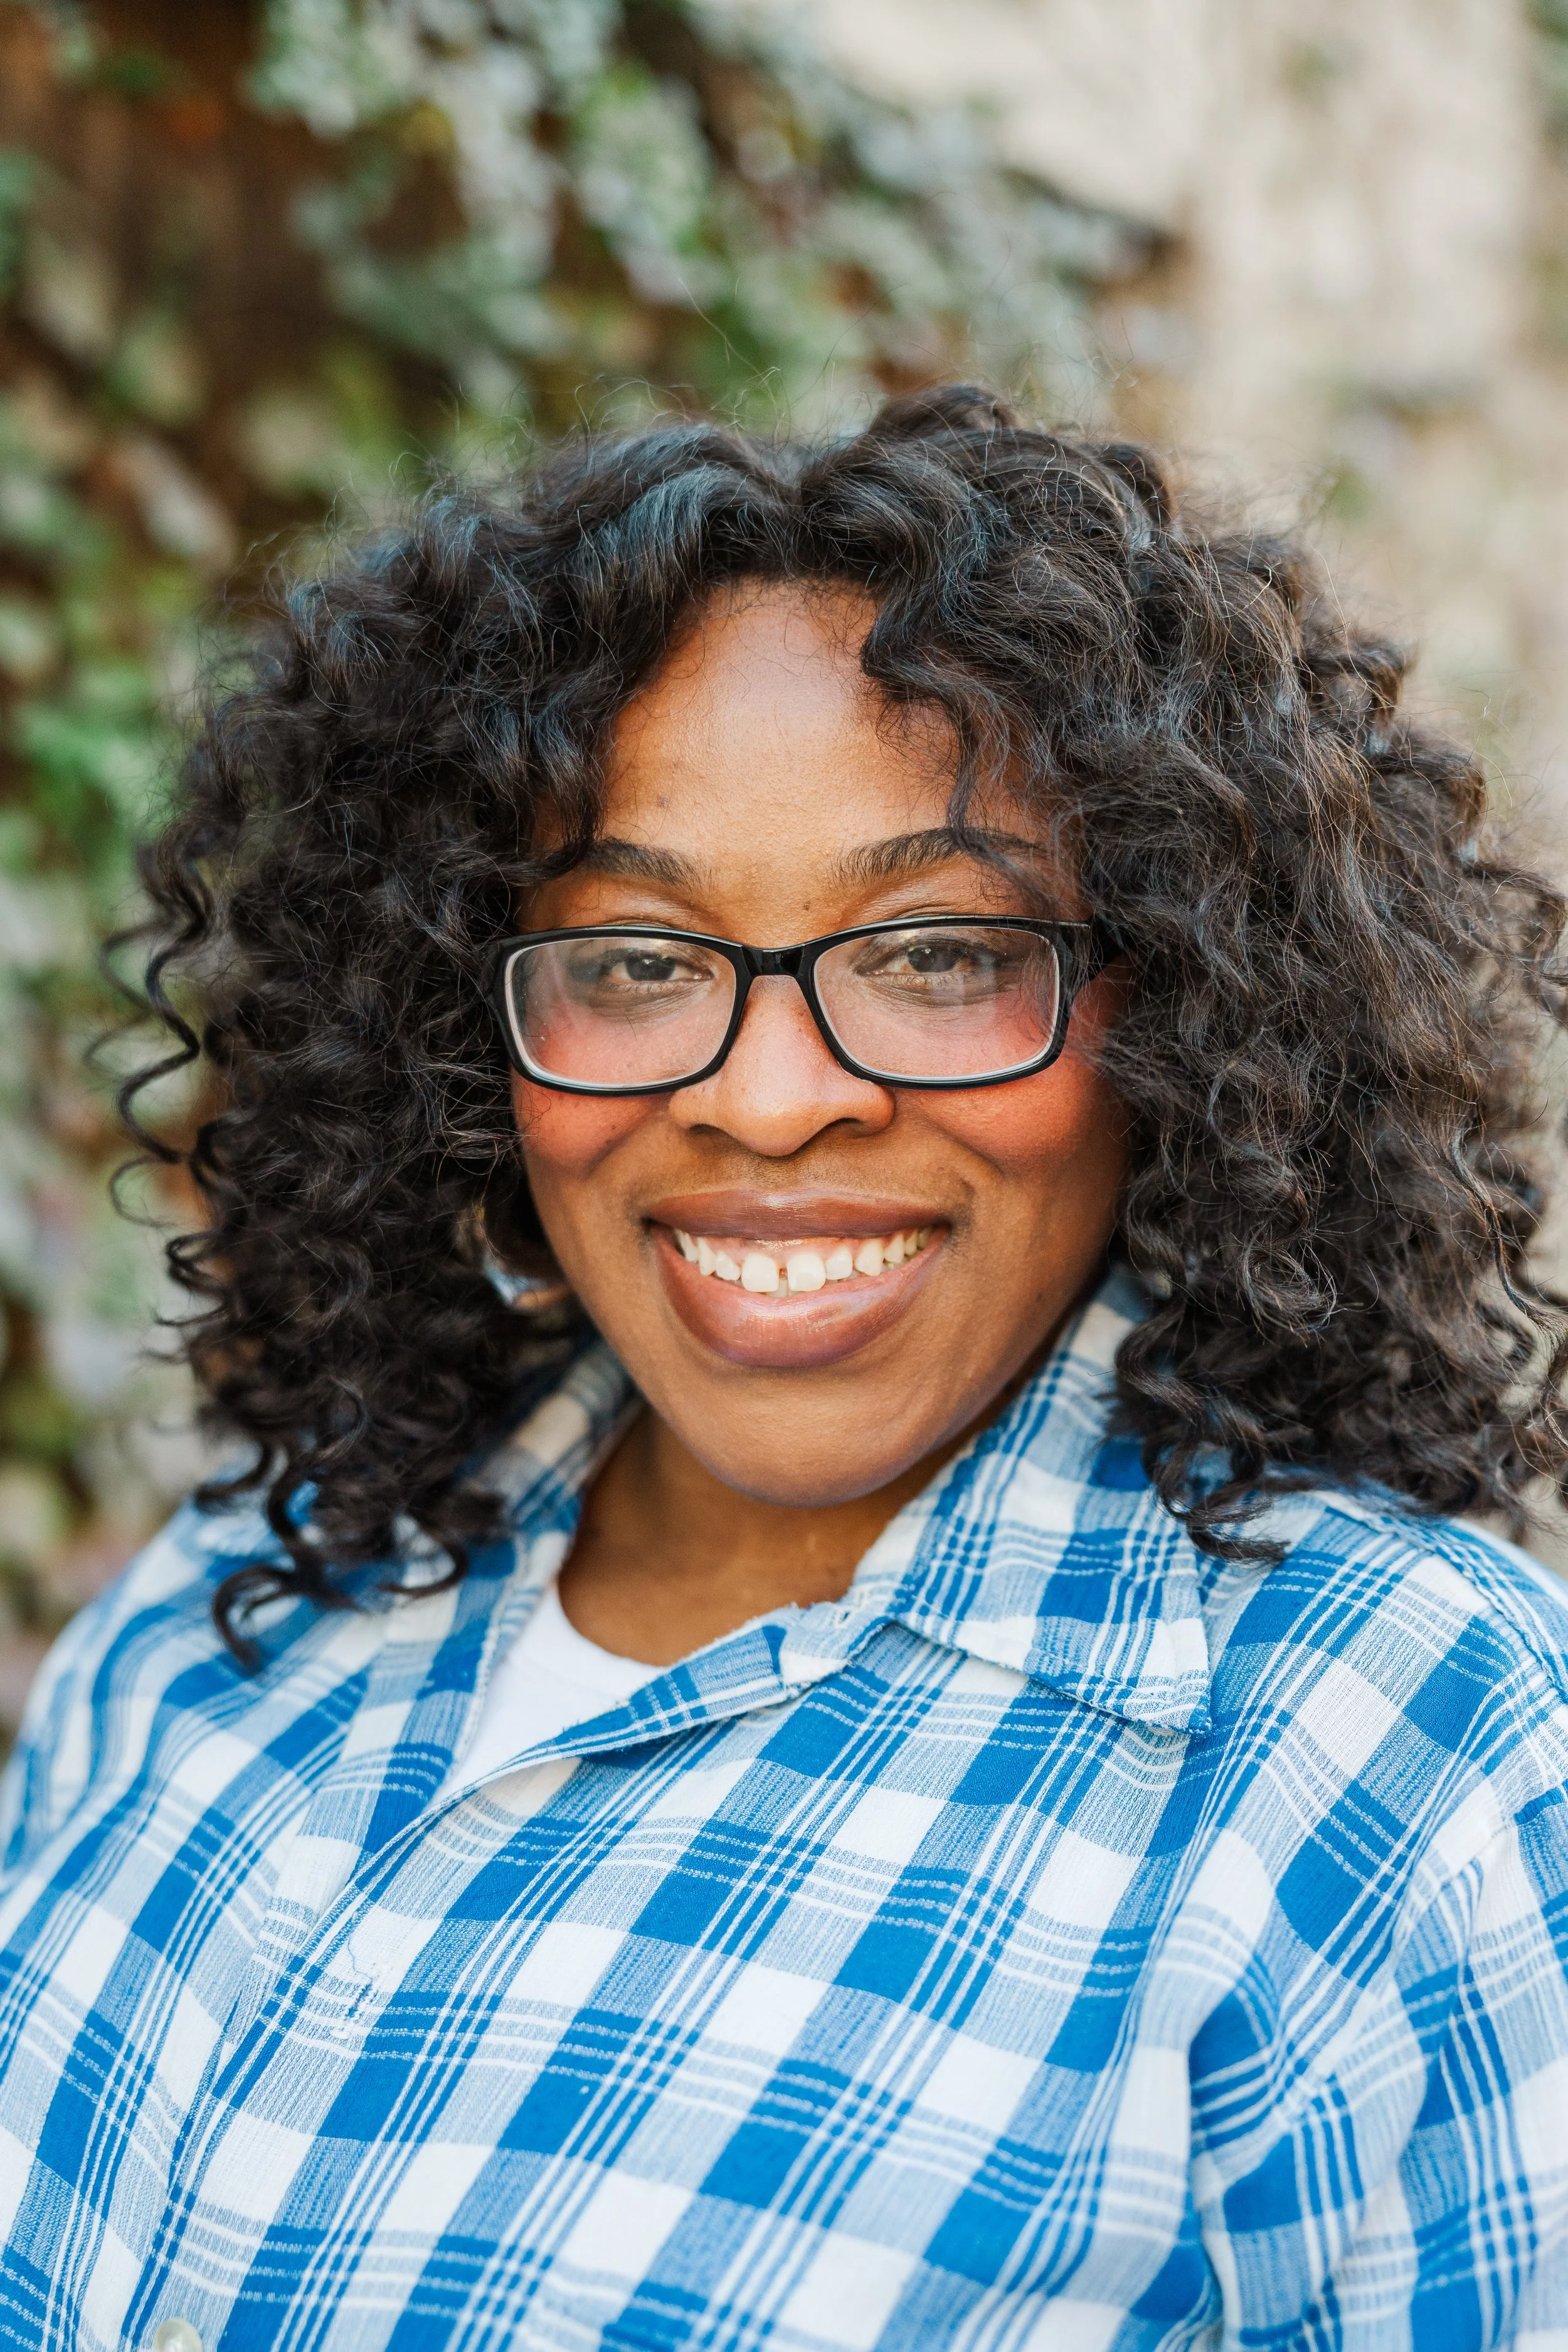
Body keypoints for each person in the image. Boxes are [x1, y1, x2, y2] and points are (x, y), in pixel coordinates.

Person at [0, 388, 1565, 2352]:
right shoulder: (240, 1597)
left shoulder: (1394, 1752)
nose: (765, 1099)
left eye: (932, 954)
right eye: (636, 959)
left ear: (1174, 1010)